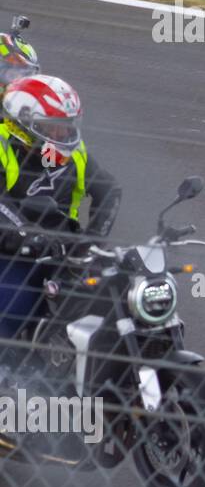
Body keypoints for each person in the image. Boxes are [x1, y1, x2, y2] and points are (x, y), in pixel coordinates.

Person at [0, 75, 121, 338]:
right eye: (54, 127)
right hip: (9, 255)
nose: (63, 134)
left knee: (119, 294)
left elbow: (110, 191)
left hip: (61, 250)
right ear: (23, 124)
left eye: (67, 126)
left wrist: (92, 240)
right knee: (13, 302)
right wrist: (26, 234)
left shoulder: (74, 153)